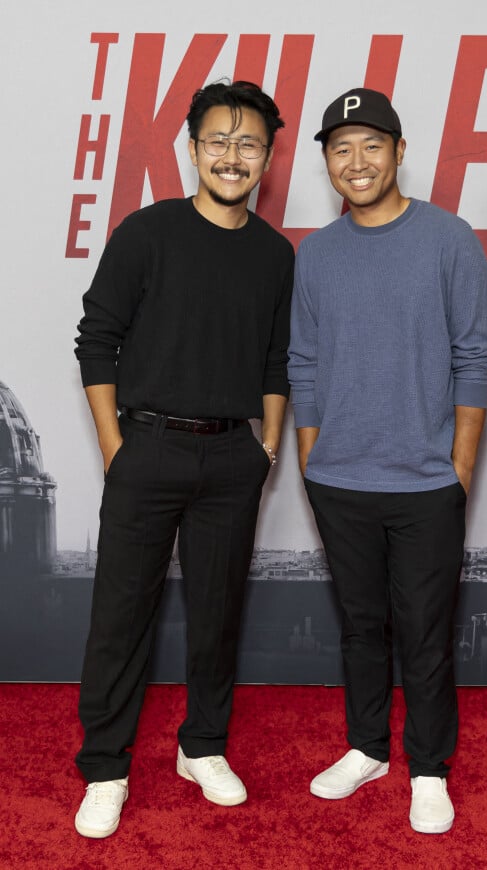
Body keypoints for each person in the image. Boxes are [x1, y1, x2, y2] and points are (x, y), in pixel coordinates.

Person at [73, 80, 294, 838]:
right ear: (192, 148)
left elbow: (274, 362)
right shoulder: (147, 232)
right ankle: (105, 765)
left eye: (249, 144)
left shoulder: (274, 253)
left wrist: (264, 449)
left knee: (218, 614)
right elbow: (96, 339)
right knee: (120, 617)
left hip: (232, 457)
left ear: (268, 156)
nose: (233, 157)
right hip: (148, 447)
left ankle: (201, 746)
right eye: (218, 142)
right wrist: (114, 444)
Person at [288, 88, 487, 834]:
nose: (357, 161)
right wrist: (311, 460)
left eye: (371, 145)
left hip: (424, 483)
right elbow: (304, 364)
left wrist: (460, 467)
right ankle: (368, 747)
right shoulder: (314, 253)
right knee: (358, 626)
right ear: (327, 162)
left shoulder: (449, 239)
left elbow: (476, 358)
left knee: (426, 632)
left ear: (400, 152)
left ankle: (430, 767)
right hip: (339, 480)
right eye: (341, 149)